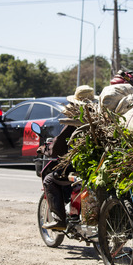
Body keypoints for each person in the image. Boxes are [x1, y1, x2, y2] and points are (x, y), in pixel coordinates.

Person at [41, 85, 96, 230]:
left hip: (80, 167)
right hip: (96, 165)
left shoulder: (76, 121)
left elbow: (57, 148)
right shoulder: (100, 119)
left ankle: (59, 220)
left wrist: (44, 149)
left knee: (49, 180)